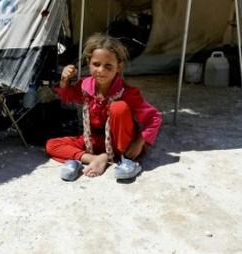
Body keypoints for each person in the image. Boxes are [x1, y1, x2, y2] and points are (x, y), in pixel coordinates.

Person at [45, 33, 162, 181]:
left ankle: (121, 159)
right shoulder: (84, 86)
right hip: (93, 142)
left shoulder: (128, 92)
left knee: (119, 107)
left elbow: (154, 117)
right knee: (51, 145)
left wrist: (139, 143)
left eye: (108, 66)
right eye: (96, 64)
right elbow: (68, 95)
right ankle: (95, 159)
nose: (101, 70)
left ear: (118, 67)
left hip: (121, 145)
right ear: (89, 62)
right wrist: (64, 80)